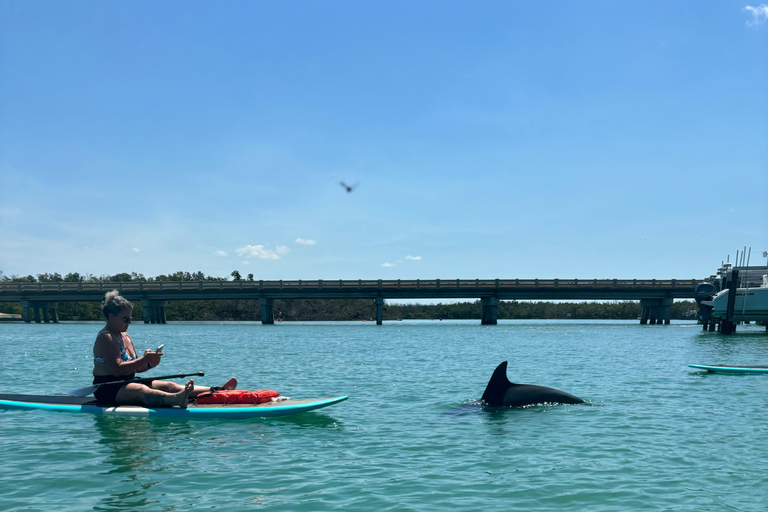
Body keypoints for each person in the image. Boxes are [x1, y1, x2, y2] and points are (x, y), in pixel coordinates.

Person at [93, 290, 236, 408]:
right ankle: (177, 399)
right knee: (142, 390)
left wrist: (148, 364)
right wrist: (143, 359)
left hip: (129, 382)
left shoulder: (125, 336)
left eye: (130, 318)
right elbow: (116, 369)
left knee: (169, 385)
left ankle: (218, 390)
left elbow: (134, 369)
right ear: (111, 316)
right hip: (109, 387)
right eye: (126, 319)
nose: (129, 322)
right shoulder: (106, 337)